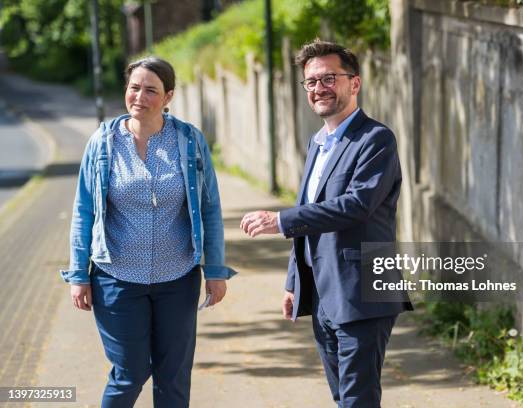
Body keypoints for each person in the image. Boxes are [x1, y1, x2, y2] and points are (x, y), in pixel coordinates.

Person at [240, 40, 411, 407]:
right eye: (312, 82)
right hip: (321, 292)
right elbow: (310, 212)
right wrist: (293, 282)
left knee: (357, 399)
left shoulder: (375, 139)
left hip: (363, 290)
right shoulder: (317, 143)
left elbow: (355, 206)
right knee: (343, 397)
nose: (319, 88)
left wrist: (281, 220)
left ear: (355, 83)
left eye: (329, 78)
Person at [60, 56, 236, 408]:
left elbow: (209, 207)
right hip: (117, 278)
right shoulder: (103, 142)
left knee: (173, 377)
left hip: (178, 277)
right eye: (134, 88)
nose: (139, 96)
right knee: (130, 371)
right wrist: (79, 274)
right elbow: (83, 209)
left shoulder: (188, 140)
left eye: (151, 90)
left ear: (168, 96)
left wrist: (215, 270)